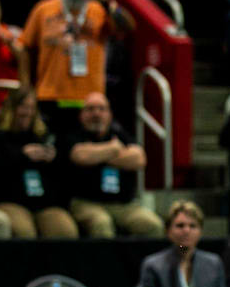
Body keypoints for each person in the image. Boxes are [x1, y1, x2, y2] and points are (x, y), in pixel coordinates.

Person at [19, 0, 133, 134]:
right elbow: (25, 47)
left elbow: (128, 26)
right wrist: (25, 84)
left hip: (89, 99)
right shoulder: (44, 9)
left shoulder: (100, 10)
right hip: (50, 95)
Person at [61, 92, 162, 238]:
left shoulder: (119, 133)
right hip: (86, 203)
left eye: (102, 109)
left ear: (109, 114)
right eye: (90, 109)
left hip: (124, 205)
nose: (96, 113)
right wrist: (114, 149)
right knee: (101, 223)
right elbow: (80, 156)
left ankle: (148, 262)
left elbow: (139, 159)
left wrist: (96, 155)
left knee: (153, 225)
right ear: (81, 114)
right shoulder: (73, 135)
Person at [0, 88, 79, 239]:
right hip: (10, 201)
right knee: (25, 232)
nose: (27, 112)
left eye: (31, 107)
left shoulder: (43, 137)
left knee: (65, 231)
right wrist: (22, 156)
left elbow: (64, 174)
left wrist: (53, 159)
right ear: (12, 108)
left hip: (44, 203)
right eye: (23, 106)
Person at [133, 200, 226, 287]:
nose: (186, 231)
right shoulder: (153, 266)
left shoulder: (213, 264)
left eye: (192, 226)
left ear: (200, 231)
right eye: (180, 225)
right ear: (168, 231)